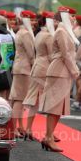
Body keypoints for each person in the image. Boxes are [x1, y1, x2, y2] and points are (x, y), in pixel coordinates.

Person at [39, 10, 79, 152]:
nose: (74, 18)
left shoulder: (65, 31)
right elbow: (65, 54)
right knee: (55, 107)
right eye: (71, 16)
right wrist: (75, 71)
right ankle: (48, 137)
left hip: (62, 71)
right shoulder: (62, 31)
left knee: (58, 108)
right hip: (59, 71)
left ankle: (49, 136)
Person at [23, 11, 54, 140]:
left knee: (34, 100)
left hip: (37, 66)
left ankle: (29, 128)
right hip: (45, 68)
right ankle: (49, 133)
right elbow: (52, 55)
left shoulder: (40, 34)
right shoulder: (48, 36)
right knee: (49, 102)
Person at [9, 10, 36, 138]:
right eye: (32, 20)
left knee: (17, 99)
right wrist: (34, 65)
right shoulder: (26, 34)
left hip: (19, 67)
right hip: (24, 68)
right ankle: (13, 128)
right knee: (19, 100)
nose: (34, 22)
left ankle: (17, 126)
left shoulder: (20, 32)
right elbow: (31, 53)